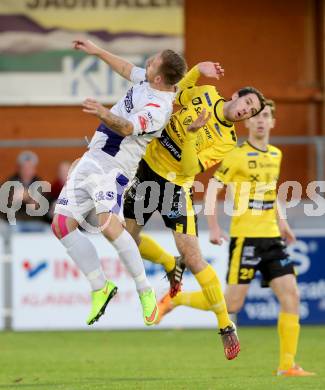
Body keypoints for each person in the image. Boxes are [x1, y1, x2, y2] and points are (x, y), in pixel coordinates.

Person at [157, 100, 315, 376]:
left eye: (266, 116)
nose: (261, 121)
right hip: (246, 239)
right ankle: (175, 300)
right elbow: (211, 189)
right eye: (255, 116)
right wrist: (214, 227)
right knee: (231, 305)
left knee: (292, 296)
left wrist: (283, 222)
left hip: (273, 239)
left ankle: (287, 365)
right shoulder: (236, 154)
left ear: (273, 122)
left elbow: (272, 190)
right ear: (248, 122)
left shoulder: (275, 154)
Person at [123, 62, 266, 359]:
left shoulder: (227, 142)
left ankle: (226, 326)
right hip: (147, 168)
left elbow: (189, 168)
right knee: (126, 240)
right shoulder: (207, 93)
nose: (246, 111)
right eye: (247, 103)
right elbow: (176, 93)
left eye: (251, 112)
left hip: (177, 186)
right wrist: (198, 68)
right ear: (237, 95)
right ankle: (167, 262)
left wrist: (190, 135)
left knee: (194, 257)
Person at [51, 39, 187, 326]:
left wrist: (103, 113)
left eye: (151, 63)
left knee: (108, 225)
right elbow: (126, 68)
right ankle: (100, 287)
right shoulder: (149, 80)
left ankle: (144, 291)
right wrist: (97, 51)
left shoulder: (158, 107)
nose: (146, 63)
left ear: (159, 77)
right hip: (93, 157)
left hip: (113, 166)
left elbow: (126, 127)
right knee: (61, 225)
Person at [1, 151, 49, 232]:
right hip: (15, 222)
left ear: (34, 169)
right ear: (19, 168)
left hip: (36, 222)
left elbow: (40, 208)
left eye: (30, 167)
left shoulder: (40, 184)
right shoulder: (9, 182)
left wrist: (27, 197)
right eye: (24, 168)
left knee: (49, 231)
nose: (27, 171)